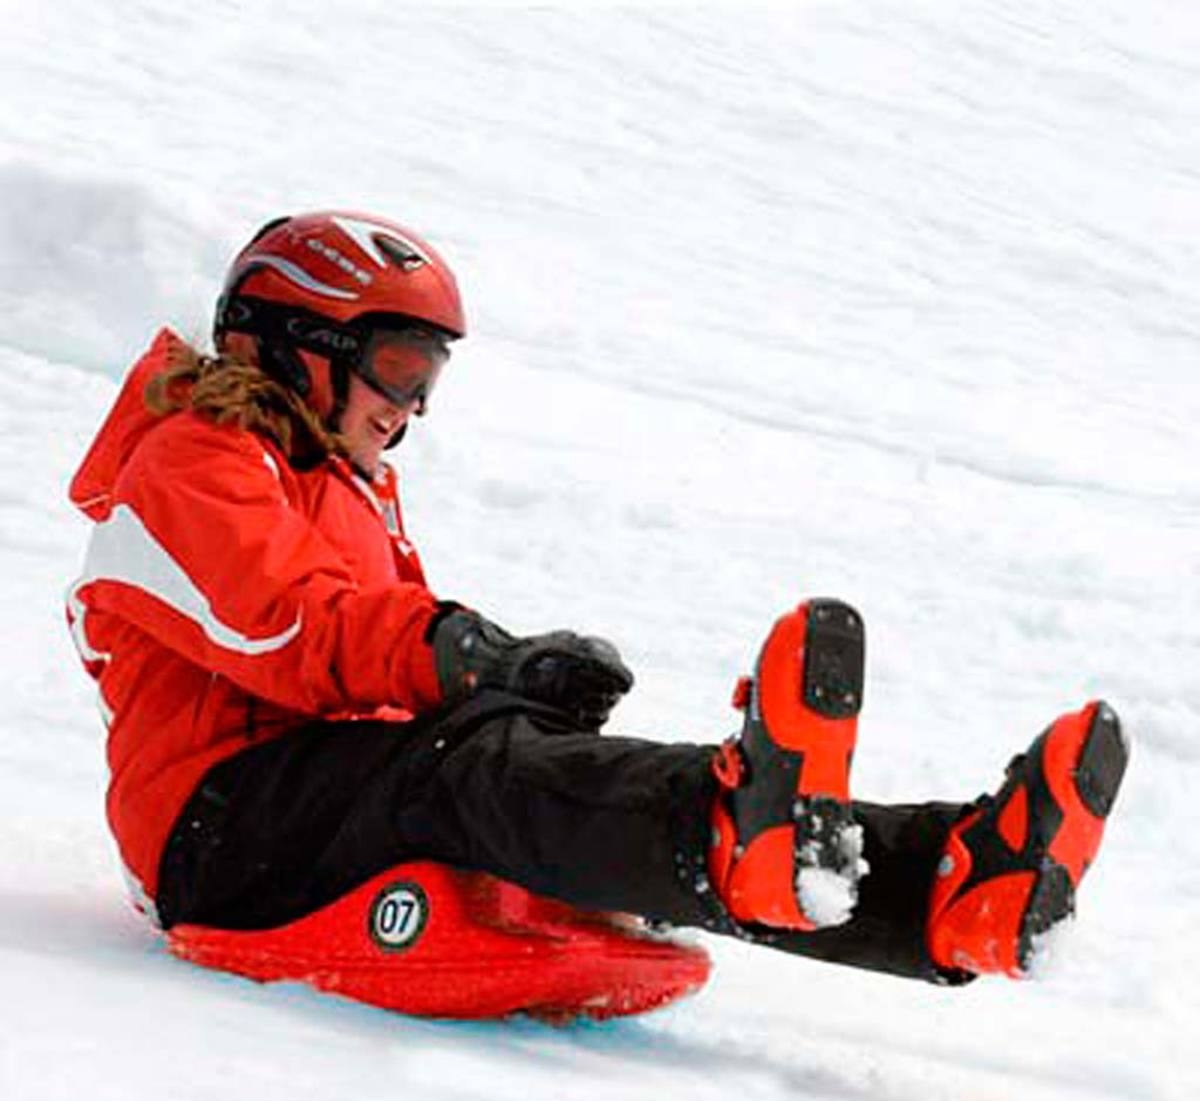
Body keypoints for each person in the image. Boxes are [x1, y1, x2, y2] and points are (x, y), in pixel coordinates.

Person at [66, 209, 1129, 994]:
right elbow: (287, 624)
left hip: (319, 797)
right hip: (217, 832)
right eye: (396, 368)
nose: (411, 407)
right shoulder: (187, 462)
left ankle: (943, 887)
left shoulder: (340, 483)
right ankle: (735, 836)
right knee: (468, 764)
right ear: (294, 344)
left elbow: (366, 663)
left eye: (428, 378)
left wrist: (508, 681)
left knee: (525, 767)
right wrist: (468, 657)